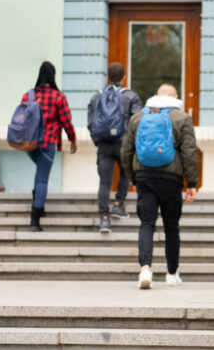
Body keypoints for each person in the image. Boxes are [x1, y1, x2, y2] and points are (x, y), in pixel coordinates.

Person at [121, 84, 198, 289]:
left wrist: (133, 177)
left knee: (147, 223)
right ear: (176, 97)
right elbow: (189, 152)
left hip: (144, 176)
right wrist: (191, 183)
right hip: (171, 178)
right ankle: (172, 273)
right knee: (171, 226)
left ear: (155, 96)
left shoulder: (138, 117)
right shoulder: (182, 118)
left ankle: (145, 268)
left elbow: (126, 151)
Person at [87, 62, 143, 233]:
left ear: (107, 77)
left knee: (104, 182)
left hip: (104, 144)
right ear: (124, 77)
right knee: (126, 174)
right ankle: (118, 204)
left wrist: (98, 141)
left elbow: (90, 123)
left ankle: (104, 219)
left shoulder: (97, 97)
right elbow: (138, 122)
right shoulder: (131, 96)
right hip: (124, 143)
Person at [21, 61, 77, 232]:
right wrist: (73, 139)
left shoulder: (29, 95)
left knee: (40, 174)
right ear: (53, 76)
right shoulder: (58, 97)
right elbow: (66, 121)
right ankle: (35, 219)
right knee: (42, 179)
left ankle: (38, 200)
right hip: (47, 143)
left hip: (29, 143)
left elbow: (20, 117)